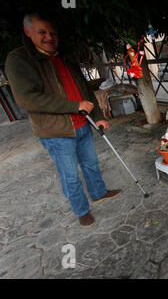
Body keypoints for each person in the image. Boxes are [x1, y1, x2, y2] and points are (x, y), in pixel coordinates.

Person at [5, 14, 121, 228]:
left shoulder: (63, 57)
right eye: (42, 32)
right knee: (70, 175)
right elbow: (27, 98)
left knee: (91, 164)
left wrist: (98, 117)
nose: (49, 37)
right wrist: (73, 106)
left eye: (52, 33)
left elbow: (84, 89)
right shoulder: (19, 59)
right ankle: (81, 211)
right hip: (57, 132)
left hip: (83, 124)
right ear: (28, 32)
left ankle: (99, 192)